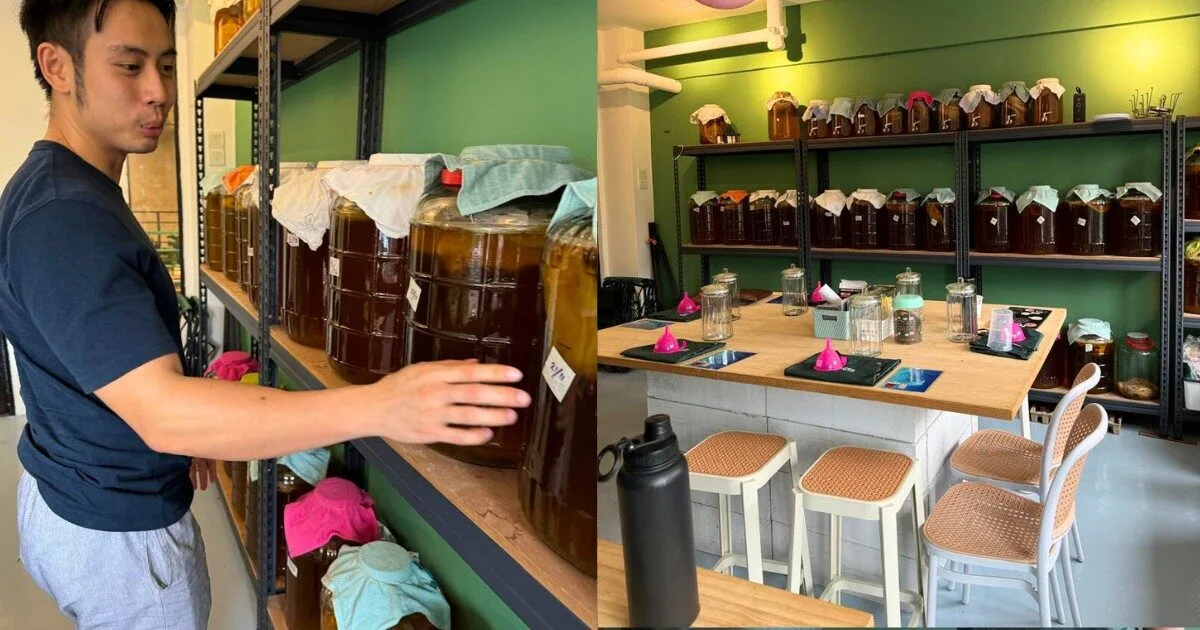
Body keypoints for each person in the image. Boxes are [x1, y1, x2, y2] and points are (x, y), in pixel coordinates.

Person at [4, 1, 530, 628]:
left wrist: (189, 425)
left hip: (73, 489)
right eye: (129, 65)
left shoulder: (65, 188)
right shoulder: (67, 219)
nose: (158, 92)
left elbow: (101, 366)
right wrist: (381, 406)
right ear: (56, 65)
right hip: (116, 538)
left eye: (167, 66)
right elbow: (162, 412)